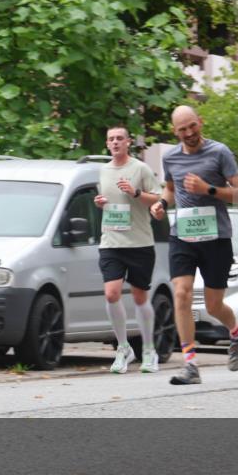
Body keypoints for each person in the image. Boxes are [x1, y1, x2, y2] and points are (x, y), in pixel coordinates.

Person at [150, 105, 238, 385]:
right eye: (182, 129)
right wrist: (161, 203)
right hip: (183, 235)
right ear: (175, 131)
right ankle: (191, 365)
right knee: (181, 294)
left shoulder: (220, 152)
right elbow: (171, 188)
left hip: (216, 237)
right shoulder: (170, 157)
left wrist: (209, 189)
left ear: (200, 122)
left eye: (192, 126)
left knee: (213, 305)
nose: (189, 133)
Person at [93, 126, 163, 374]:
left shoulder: (140, 169)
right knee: (111, 294)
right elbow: (107, 201)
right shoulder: (103, 170)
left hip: (139, 242)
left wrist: (135, 193)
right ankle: (123, 348)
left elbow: (157, 198)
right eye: (111, 139)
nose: (115, 142)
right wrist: (99, 203)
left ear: (128, 142)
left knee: (140, 297)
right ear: (107, 144)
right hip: (111, 242)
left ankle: (149, 350)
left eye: (119, 139)